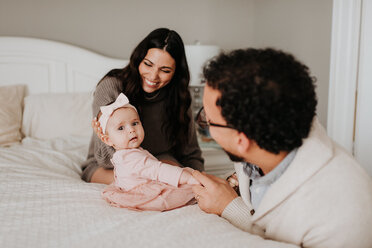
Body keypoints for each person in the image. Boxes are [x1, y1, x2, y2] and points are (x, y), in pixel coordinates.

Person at [191, 48, 372, 247]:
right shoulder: (269, 132)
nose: (205, 122)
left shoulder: (344, 216)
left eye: (208, 120)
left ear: (241, 141)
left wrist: (229, 206)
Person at [81, 28, 204, 184]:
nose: (153, 76)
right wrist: (151, 173)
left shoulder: (180, 96)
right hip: (111, 167)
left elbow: (191, 154)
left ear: (176, 73)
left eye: (165, 70)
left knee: (172, 177)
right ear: (139, 59)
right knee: (138, 182)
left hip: (159, 160)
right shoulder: (111, 86)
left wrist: (198, 178)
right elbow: (106, 160)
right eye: (148, 64)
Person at [98, 93, 199, 211]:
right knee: (188, 185)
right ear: (108, 139)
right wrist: (187, 179)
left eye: (135, 123)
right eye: (121, 128)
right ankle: (198, 192)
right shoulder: (131, 157)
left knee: (183, 174)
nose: (131, 130)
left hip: (134, 190)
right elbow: (159, 170)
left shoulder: (123, 154)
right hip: (148, 197)